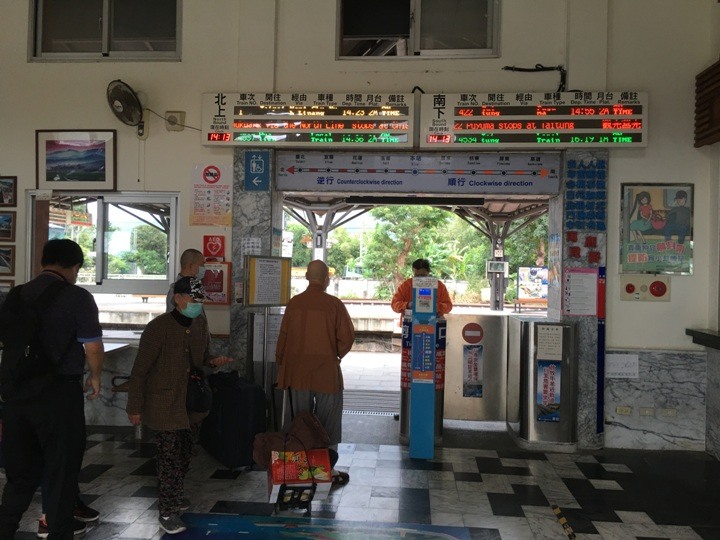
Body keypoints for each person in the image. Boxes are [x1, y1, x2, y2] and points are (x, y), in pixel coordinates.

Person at [0, 239, 104, 539]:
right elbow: (93, 347)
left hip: (16, 399)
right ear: (74, 268)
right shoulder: (77, 297)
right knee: (60, 474)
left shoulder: (15, 296)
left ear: (43, 262)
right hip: (59, 398)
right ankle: (58, 532)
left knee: (19, 477)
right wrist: (94, 376)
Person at [127, 276, 232, 535]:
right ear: (178, 298)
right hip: (164, 405)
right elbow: (139, 371)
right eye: (194, 299)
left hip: (191, 404)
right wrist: (134, 407)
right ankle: (167, 511)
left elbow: (202, 356)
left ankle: (173, 497)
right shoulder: (157, 328)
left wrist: (213, 361)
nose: (198, 304)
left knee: (184, 456)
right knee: (169, 459)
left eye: (200, 300)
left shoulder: (199, 323)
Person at [275, 260, 355, 486]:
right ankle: (324, 470)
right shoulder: (334, 304)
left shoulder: (294, 303)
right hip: (326, 373)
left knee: (297, 421)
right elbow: (347, 338)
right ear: (327, 279)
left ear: (307, 277)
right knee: (328, 422)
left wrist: (282, 364)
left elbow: (283, 338)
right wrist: (334, 355)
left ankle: (296, 472)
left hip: (296, 372)